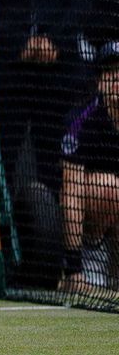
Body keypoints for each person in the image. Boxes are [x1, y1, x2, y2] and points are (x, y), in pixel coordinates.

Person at [59, 46, 119, 296]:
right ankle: (87, 261)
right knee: (110, 188)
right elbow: (70, 189)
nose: (116, 80)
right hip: (94, 211)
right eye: (109, 73)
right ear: (98, 81)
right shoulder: (82, 120)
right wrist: (73, 269)